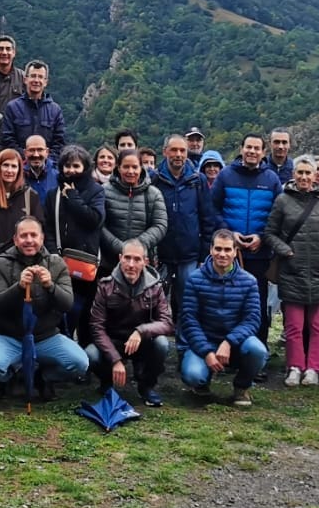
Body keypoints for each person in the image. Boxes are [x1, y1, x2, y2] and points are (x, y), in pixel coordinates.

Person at [0, 218, 89, 394]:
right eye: (24, 236)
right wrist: (19, 287)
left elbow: (68, 304)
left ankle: (42, 377)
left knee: (80, 363)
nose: (29, 240)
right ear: (15, 240)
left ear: (42, 238)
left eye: (33, 235)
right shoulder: (0, 263)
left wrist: (50, 286)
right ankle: (11, 376)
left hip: (46, 336)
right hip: (10, 336)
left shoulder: (56, 263)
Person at [266, 156, 319, 387]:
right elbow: (270, 233)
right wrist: (285, 251)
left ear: (315, 176)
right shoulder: (282, 201)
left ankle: (313, 368)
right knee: (294, 326)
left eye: (308, 173)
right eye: (300, 172)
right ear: (294, 174)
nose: (304, 177)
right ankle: (295, 367)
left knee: (318, 325)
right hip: (292, 271)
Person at [206, 134, 282, 362]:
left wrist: (262, 237)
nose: (252, 151)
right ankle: (225, 352)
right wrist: (229, 234)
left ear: (263, 152)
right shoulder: (226, 175)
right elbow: (213, 208)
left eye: (257, 148)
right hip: (229, 255)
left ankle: (257, 357)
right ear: (242, 149)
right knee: (226, 303)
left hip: (260, 255)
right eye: (248, 147)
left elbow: (277, 215)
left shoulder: (271, 179)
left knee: (257, 305)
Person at [179, 229, 266, 407]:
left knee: (258, 351)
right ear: (211, 250)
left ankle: (241, 387)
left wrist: (228, 342)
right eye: (218, 249)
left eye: (227, 250)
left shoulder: (249, 281)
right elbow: (189, 320)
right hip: (204, 341)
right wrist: (206, 352)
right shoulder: (195, 279)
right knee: (193, 375)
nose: (222, 254)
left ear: (235, 252)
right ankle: (202, 384)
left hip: (235, 344)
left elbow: (252, 319)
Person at [88, 238, 174, 407]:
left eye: (137, 259)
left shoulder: (155, 286)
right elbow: (96, 326)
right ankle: (107, 383)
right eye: (127, 258)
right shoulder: (105, 286)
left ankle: (147, 387)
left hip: (142, 342)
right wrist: (115, 360)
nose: (131, 264)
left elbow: (166, 322)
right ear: (120, 258)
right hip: (114, 342)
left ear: (146, 262)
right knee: (91, 354)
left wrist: (141, 331)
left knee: (162, 344)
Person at [47, 146, 106, 340]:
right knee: (60, 312)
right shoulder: (53, 194)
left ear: (85, 167)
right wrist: (52, 252)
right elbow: (47, 226)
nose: (71, 170)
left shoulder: (96, 191)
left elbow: (94, 220)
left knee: (83, 313)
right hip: (58, 260)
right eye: (67, 166)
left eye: (76, 166)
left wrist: (73, 197)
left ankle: (84, 358)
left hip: (84, 261)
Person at [154, 134, 209, 320]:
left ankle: (186, 340)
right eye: (174, 150)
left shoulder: (197, 180)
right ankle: (156, 341)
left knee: (189, 300)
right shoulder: (155, 179)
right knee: (156, 300)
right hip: (161, 253)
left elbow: (207, 217)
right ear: (165, 152)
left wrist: (204, 253)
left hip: (189, 254)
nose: (178, 154)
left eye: (182, 150)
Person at [0, 148, 45, 272]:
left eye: (14, 166)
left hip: (23, 263)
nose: (9, 170)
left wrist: (20, 246)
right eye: (5, 165)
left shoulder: (30, 196)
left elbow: (39, 226)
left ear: (19, 170)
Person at [100, 150, 167, 272]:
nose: (130, 171)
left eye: (135, 167)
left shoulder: (153, 193)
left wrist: (136, 247)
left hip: (142, 262)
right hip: (109, 261)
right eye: (126, 167)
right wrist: (119, 246)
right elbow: (99, 224)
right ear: (118, 168)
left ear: (141, 168)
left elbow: (160, 225)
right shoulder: (104, 191)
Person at [0, 61, 66, 155]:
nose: (36, 80)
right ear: (25, 79)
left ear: (46, 82)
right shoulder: (12, 108)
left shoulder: (55, 111)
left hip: (48, 166)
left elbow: (59, 143)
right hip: (19, 165)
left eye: (40, 77)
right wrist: (26, 158)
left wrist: (46, 161)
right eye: (33, 76)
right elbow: (7, 139)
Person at [21, 135, 58, 207]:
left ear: (47, 152)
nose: (36, 155)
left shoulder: (58, 176)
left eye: (40, 150)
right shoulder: (18, 176)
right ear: (25, 153)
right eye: (31, 150)